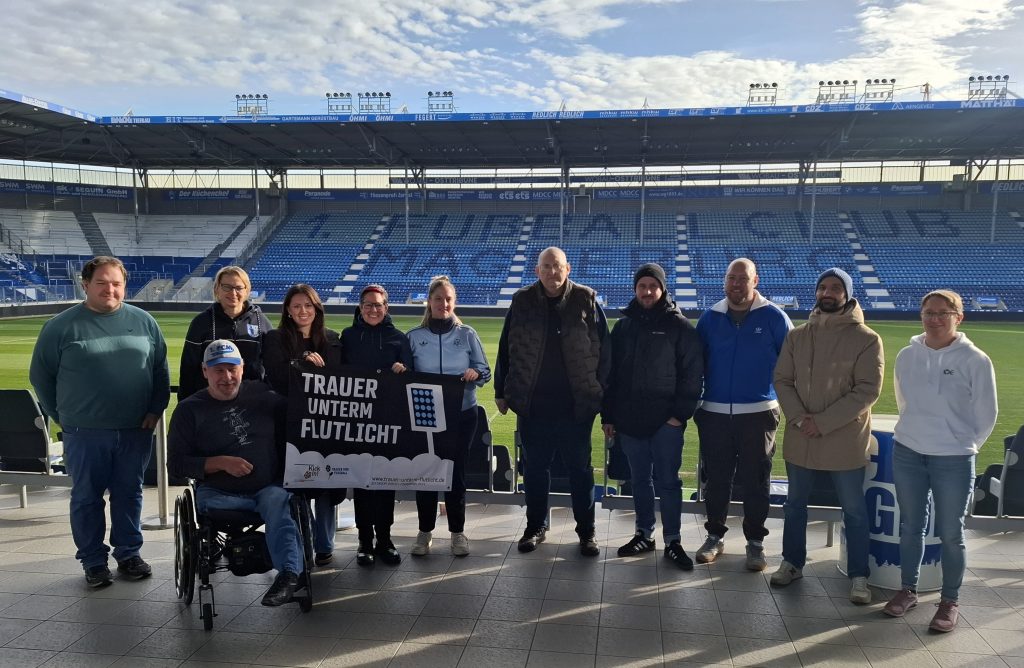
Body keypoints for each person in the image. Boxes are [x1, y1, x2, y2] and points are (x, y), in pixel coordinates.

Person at [29, 256, 170, 587]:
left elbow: (160, 370)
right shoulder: (61, 326)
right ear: (86, 285)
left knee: (129, 493)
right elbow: (41, 377)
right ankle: (93, 561)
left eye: (116, 283)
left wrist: (155, 407)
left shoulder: (144, 321)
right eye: (102, 283)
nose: (110, 289)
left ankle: (128, 554)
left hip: (135, 428)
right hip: (85, 431)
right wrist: (62, 416)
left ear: (125, 285)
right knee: (86, 497)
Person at [882, 290, 997, 632]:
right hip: (909, 453)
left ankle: (949, 601)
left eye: (942, 313)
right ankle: (908, 589)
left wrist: (962, 443)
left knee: (951, 533)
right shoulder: (907, 355)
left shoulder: (975, 359)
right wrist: (918, 435)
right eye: (928, 312)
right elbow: (904, 402)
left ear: (958, 317)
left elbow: (986, 415)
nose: (934, 319)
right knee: (911, 526)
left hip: (954, 459)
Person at [772, 268, 883, 605]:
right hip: (801, 435)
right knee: (794, 506)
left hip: (844, 438)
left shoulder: (867, 338)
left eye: (836, 288)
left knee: (854, 510)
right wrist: (799, 418)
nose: (828, 292)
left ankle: (859, 575)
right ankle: (792, 562)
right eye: (823, 287)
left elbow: (867, 390)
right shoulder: (798, 336)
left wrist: (822, 422)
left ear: (847, 295)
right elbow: (782, 380)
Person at [168, 340, 303, 607]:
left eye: (232, 369)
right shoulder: (189, 410)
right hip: (219, 493)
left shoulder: (264, 395)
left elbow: (302, 411)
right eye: (218, 370)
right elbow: (176, 465)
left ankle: (288, 575)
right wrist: (219, 462)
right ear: (205, 371)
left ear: (242, 368)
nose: (227, 377)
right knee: (215, 505)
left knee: (281, 502)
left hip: (266, 489)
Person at [495, 246, 610, 556]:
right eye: (546, 266)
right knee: (534, 470)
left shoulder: (586, 299)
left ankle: (586, 532)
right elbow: (506, 346)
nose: (552, 272)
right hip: (534, 406)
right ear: (537, 271)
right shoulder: (521, 300)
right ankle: (535, 527)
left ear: (567, 269)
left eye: (557, 266)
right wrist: (500, 391)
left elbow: (604, 350)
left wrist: (600, 394)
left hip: (576, 406)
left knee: (580, 471)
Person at [602, 263, 703, 569]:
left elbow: (693, 374)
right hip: (630, 421)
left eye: (652, 286)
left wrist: (678, 415)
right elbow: (610, 375)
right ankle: (644, 534)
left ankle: (673, 540)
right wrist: (609, 415)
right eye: (642, 286)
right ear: (635, 289)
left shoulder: (680, 326)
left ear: (662, 289)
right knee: (639, 480)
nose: (647, 292)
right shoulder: (623, 326)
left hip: (666, 423)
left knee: (669, 482)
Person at [694, 258, 792, 571]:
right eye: (731, 278)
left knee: (756, 480)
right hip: (715, 413)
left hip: (759, 413)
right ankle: (714, 537)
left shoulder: (775, 317)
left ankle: (755, 543)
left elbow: (791, 364)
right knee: (717, 480)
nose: (736, 284)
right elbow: (696, 365)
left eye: (743, 278)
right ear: (725, 282)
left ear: (755, 281)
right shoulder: (710, 317)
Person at [407, 276, 491, 557]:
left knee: (456, 474)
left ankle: (457, 533)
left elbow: (485, 371)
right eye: (438, 299)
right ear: (429, 302)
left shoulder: (467, 334)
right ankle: (424, 532)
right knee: (426, 472)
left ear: (454, 302)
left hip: (462, 415)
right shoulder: (414, 337)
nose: (444, 304)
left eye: (448, 299)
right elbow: (404, 374)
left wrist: (475, 374)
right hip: (425, 416)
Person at [262, 283, 345, 566]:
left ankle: (324, 544)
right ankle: (305, 539)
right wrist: (302, 362)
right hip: (290, 424)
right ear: (287, 309)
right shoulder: (274, 339)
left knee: (325, 485)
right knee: (298, 484)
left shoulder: (332, 339)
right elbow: (276, 375)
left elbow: (340, 381)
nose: (303, 311)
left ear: (317, 308)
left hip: (325, 425)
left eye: (308, 305)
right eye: (296, 306)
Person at [341, 285, 413, 566]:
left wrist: (402, 371)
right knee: (362, 483)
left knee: (385, 481)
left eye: (378, 305)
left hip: (388, 421)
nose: (373, 310)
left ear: (387, 308)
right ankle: (364, 540)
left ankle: (385, 539)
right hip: (358, 421)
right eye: (368, 305)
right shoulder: (348, 336)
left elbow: (410, 375)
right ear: (360, 307)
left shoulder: (398, 338)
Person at [178, 265, 271, 401]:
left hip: (251, 403)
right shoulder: (201, 322)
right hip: (210, 404)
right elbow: (188, 369)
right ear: (217, 290)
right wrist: (184, 404)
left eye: (238, 288)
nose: (233, 293)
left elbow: (272, 368)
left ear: (247, 291)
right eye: (226, 287)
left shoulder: (261, 322)